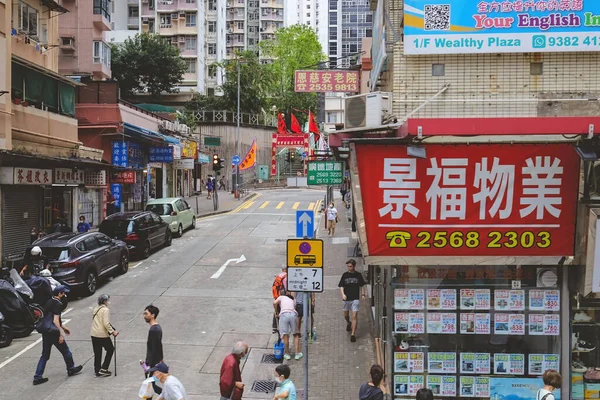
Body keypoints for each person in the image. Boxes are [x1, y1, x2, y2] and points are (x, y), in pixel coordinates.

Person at [33, 285, 83, 385]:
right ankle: (71, 369)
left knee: (45, 355)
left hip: (46, 332)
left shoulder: (49, 301)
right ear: (59, 294)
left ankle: (37, 376)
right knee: (66, 351)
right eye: (63, 293)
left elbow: (49, 318)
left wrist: (64, 327)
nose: (65, 295)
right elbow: (55, 321)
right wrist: (61, 334)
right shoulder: (58, 304)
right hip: (54, 333)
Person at [338, 258, 366, 343]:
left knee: (354, 315)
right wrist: (343, 294)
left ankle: (353, 334)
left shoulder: (358, 275)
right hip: (346, 299)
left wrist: (363, 294)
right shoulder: (345, 275)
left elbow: (362, 286)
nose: (349, 268)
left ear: (354, 266)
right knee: (346, 315)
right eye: (348, 266)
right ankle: (348, 322)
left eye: (350, 266)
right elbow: (341, 286)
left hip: (355, 298)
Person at [91, 294, 118, 377]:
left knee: (97, 352)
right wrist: (113, 331)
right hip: (102, 334)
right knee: (110, 349)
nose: (108, 302)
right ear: (105, 301)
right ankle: (104, 368)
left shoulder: (96, 308)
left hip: (94, 333)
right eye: (107, 301)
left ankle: (97, 369)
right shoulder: (105, 310)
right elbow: (106, 323)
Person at [144, 305, 164, 396]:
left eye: (146, 313)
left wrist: (150, 365)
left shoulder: (153, 330)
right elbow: (159, 345)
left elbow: (154, 348)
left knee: (151, 385)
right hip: (154, 362)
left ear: (153, 315)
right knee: (150, 385)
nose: (144, 315)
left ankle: (167, 396)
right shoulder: (157, 328)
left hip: (152, 363)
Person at [274, 293, 299, 360]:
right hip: (293, 314)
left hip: (284, 315)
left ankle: (287, 354)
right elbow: (294, 308)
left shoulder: (281, 297)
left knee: (285, 335)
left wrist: (276, 312)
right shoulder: (293, 300)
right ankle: (297, 354)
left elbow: (274, 303)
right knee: (296, 334)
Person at [272, 268, 288, 333]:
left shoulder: (279, 276)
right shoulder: (286, 277)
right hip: (283, 295)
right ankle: (281, 325)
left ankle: (274, 326)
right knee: (282, 309)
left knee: (276, 310)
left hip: (277, 295)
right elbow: (287, 288)